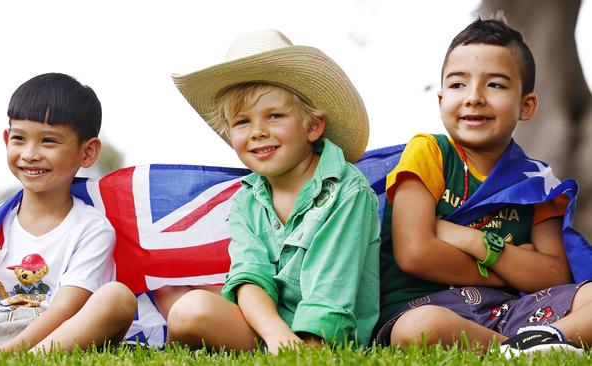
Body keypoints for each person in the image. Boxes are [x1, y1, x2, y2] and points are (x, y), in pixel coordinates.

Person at [375, 17, 592, 357]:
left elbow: (552, 275)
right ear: (441, 99)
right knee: (419, 329)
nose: (474, 97)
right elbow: (414, 253)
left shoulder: (536, 180)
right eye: (459, 85)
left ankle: (532, 341)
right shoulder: (428, 152)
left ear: (527, 105)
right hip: (427, 308)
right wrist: (516, 267)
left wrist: (471, 240)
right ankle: (525, 349)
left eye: (496, 85)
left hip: (510, 312)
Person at [165, 29, 380, 354]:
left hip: (327, 334)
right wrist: (277, 336)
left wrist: (301, 349)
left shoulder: (346, 191)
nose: (258, 132)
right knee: (187, 311)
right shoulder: (247, 199)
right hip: (268, 330)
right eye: (242, 122)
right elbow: (250, 275)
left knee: (311, 343)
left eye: (274, 116)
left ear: (312, 126)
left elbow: (330, 295)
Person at [0, 73, 137, 354]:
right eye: (19, 138)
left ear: (88, 152)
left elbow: (65, 310)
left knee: (117, 298)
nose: (30, 154)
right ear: (6, 139)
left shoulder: (91, 228)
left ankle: (17, 359)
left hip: (55, 336)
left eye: (48, 141)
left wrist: (6, 354)